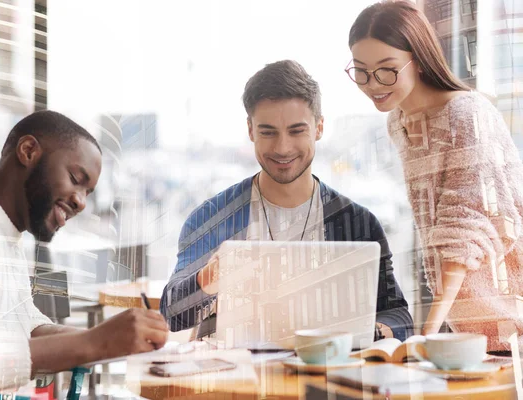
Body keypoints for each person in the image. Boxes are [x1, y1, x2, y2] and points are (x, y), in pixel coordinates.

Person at [160, 60, 413, 342]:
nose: (282, 148)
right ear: (251, 130)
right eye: (268, 132)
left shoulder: (358, 222)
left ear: (318, 128)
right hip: (237, 379)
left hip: (323, 376)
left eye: (296, 131)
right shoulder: (212, 217)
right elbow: (172, 314)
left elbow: (399, 316)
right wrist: (205, 283)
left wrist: (370, 332)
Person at [0, 111, 168, 396]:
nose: (81, 202)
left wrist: (108, 337)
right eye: (76, 178)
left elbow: (24, 324)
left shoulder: (2, 230)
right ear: (28, 151)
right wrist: (92, 343)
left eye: (88, 192)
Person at [347, 1, 523, 351]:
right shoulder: (398, 121)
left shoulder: (465, 112)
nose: (372, 84)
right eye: (361, 71)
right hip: (468, 327)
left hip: (510, 318)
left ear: (418, 58)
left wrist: (426, 335)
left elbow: (462, 229)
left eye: (387, 70)